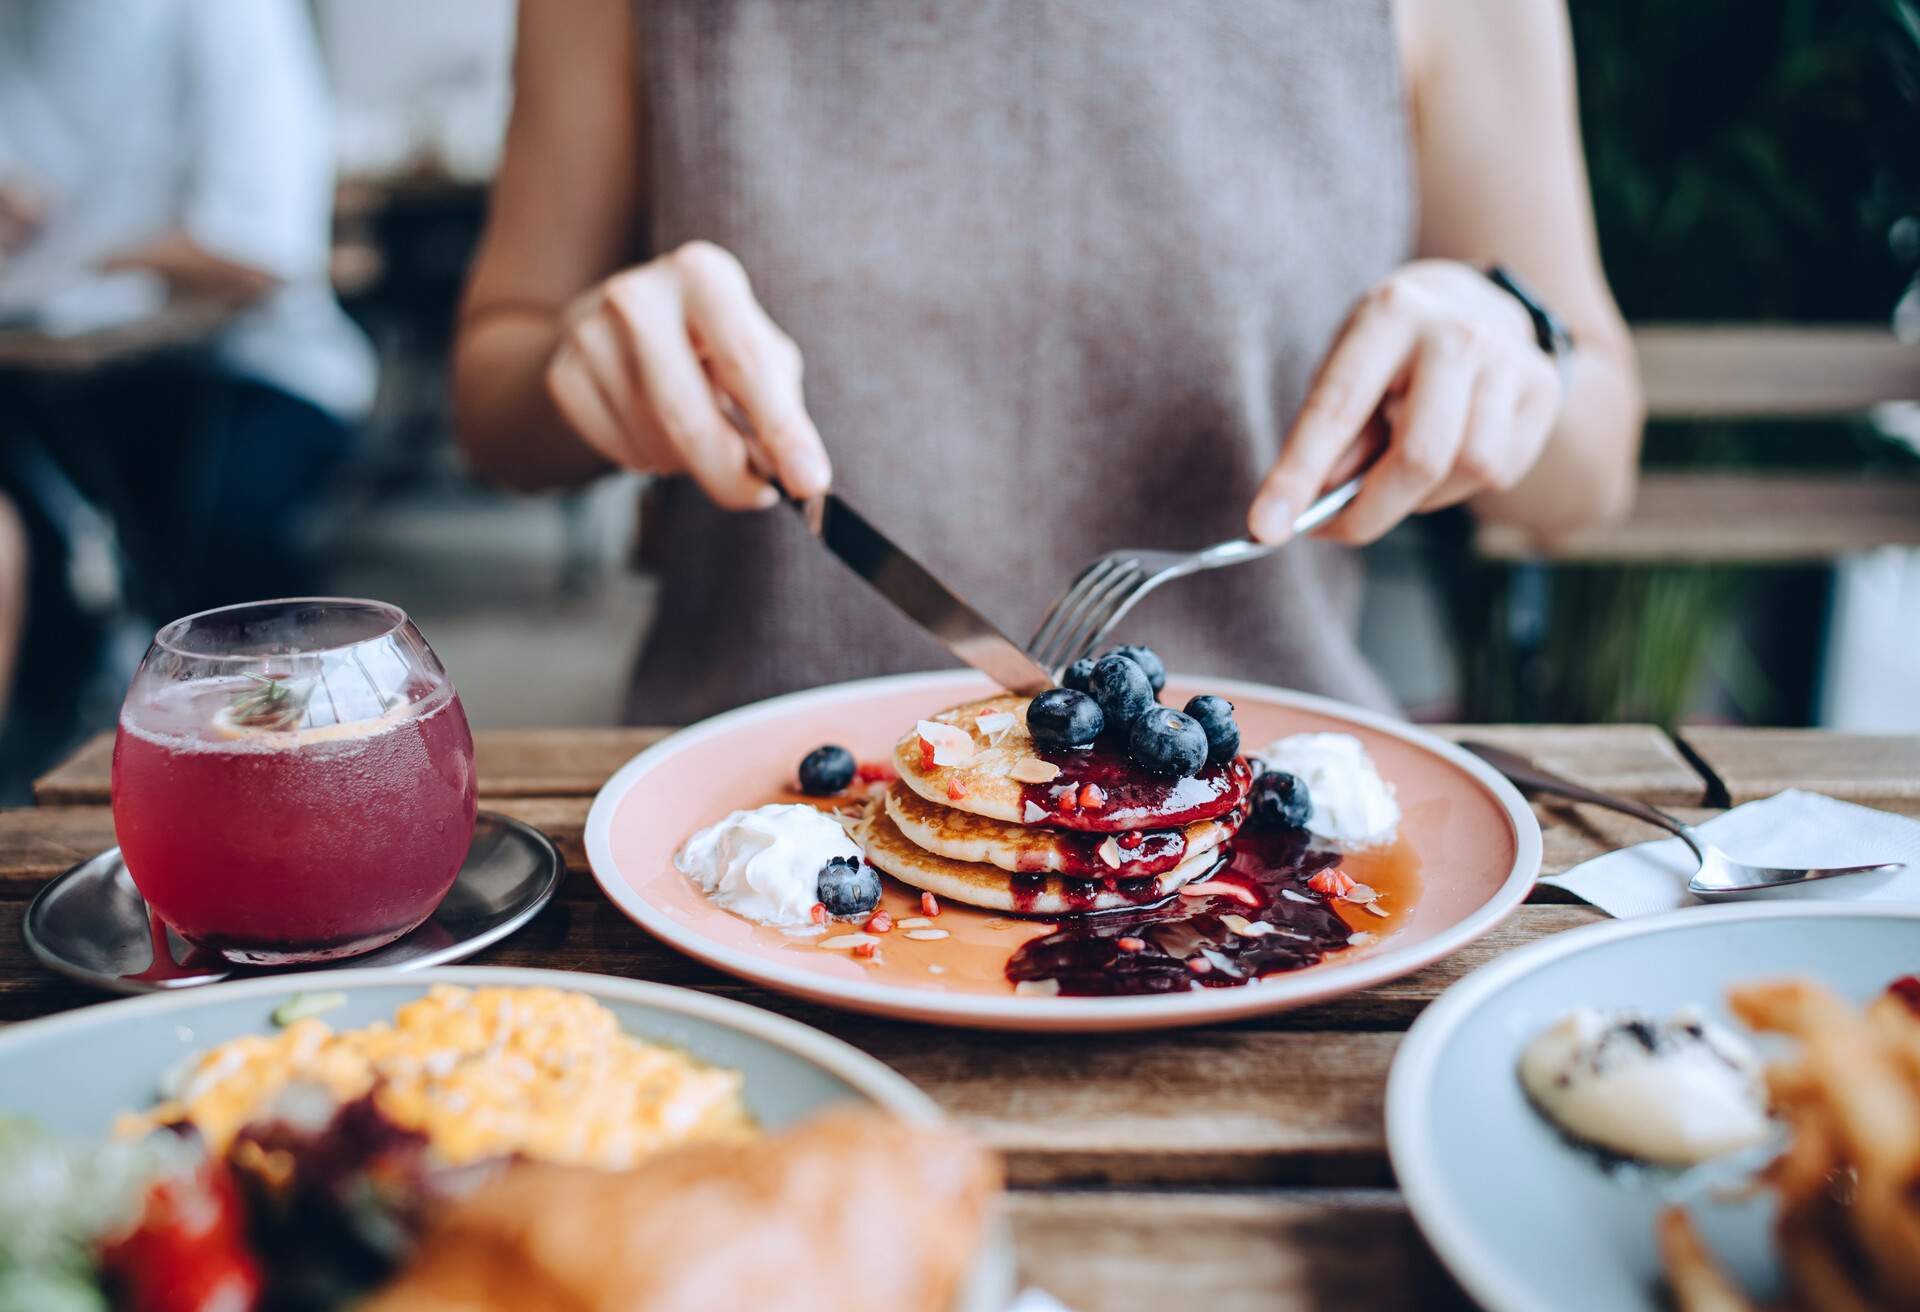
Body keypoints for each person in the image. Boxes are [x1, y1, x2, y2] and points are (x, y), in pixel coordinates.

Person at [455, 0, 1643, 722]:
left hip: (1273, 864)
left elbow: (1593, 468)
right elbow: (494, 400)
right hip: (740, 832)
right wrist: (586, 364)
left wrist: (1511, 351)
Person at [0, 0, 377, 627]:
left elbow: (259, 250)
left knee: (226, 574)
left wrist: (78, 267)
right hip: (55, 376)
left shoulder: (229, 16)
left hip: (250, 370)